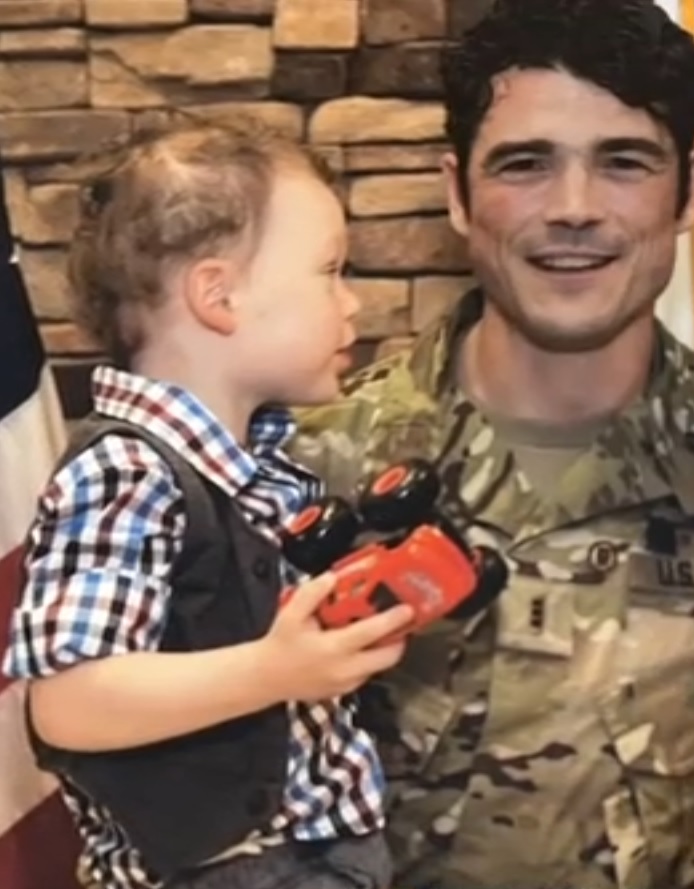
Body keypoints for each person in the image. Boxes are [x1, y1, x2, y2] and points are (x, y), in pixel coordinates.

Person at [286, 1, 694, 888]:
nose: (573, 209)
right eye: (525, 164)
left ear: (691, 188)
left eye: (624, 162)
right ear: (457, 192)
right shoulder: (300, 472)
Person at [3, 121, 414, 889]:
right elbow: (68, 699)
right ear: (218, 296)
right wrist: (273, 669)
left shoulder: (262, 468)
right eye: (330, 271)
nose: (352, 302)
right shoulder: (125, 474)